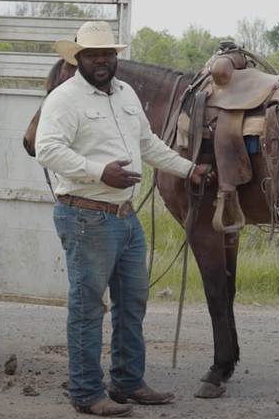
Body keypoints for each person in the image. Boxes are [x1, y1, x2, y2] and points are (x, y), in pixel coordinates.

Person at [35, 21, 212, 417]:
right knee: (88, 307)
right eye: (94, 54)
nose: (102, 60)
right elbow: (47, 149)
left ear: (116, 57)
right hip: (86, 215)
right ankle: (85, 392)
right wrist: (100, 172)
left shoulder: (125, 93)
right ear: (78, 58)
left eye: (108, 53)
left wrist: (188, 170)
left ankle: (128, 382)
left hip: (126, 218)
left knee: (133, 303)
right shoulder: (64, 99)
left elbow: (147, 143)